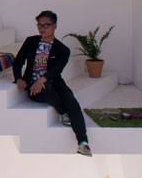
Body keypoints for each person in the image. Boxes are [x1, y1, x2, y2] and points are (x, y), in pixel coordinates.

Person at [11, 12, 92, 155]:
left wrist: (42, 79)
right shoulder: (30, 41)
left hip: (55, 82)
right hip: (34, 87)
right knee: (47, 89)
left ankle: (83, 143)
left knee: (71, 100)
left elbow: (56, 70)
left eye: (46, 25)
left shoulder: (63, 50)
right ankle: (62, 111)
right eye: (39, 25)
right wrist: (19, 78)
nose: (42, 28)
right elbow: (18, 62)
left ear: (55, 26)